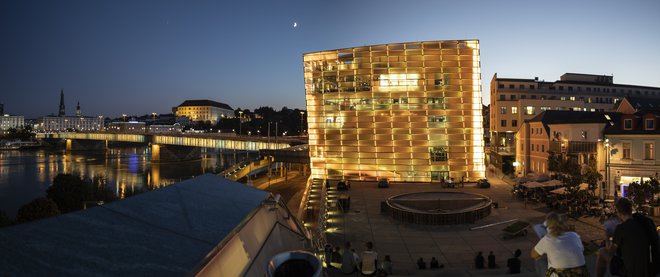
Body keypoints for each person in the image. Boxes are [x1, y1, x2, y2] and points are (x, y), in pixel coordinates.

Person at [605, 197, 659, 277]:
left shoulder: (621, 228)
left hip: (630, 272)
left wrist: (607, 238)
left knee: (602, 252)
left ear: (619, 213)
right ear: (630, 209)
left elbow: (610, 253)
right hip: (651, 269)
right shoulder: (646, 222)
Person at [531, 212, 589, 276]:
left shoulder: (547, 239)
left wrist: (542, 244)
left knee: (538, 259)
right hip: (582, 274)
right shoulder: (574, 235)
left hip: (562, 274)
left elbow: (533, 255)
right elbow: (581, 250)